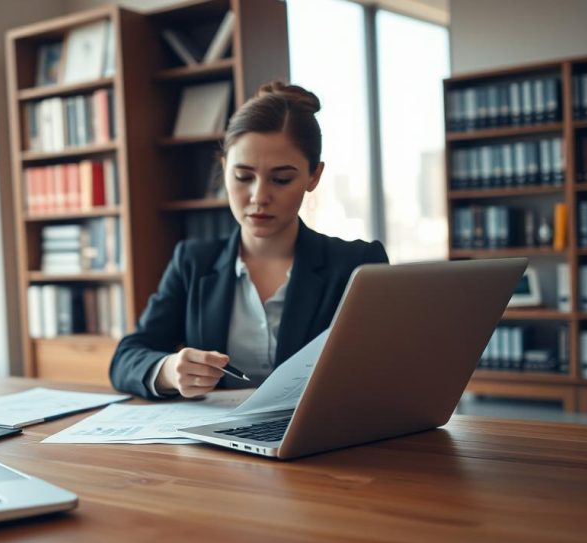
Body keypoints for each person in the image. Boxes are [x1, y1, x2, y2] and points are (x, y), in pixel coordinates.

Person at [109, 81, 388, 400]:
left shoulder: (357, 265)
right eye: (243, 177)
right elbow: (126, 357)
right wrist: (170, 370)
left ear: (314, 176)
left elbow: (388, 371)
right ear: (225, 168)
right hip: (216, 444)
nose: (259, 196)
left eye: (281, 179)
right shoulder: (193, 261)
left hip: (324, 442)